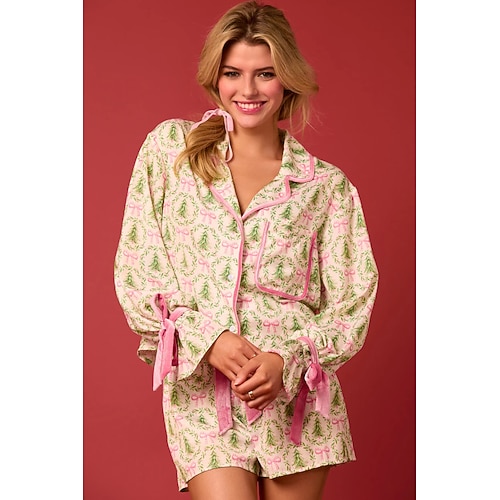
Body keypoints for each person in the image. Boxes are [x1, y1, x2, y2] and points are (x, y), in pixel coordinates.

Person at [114, 1, 378, 499]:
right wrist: (207, 339)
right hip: (203, 395)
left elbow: (352, 303)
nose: (248, 90)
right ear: (215, 77)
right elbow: (137, 270)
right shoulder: (171, 151)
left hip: (297, 403)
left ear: (287, 80)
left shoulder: (326, 187)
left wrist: (287, 361)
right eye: (233, 73)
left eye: (265, 74)